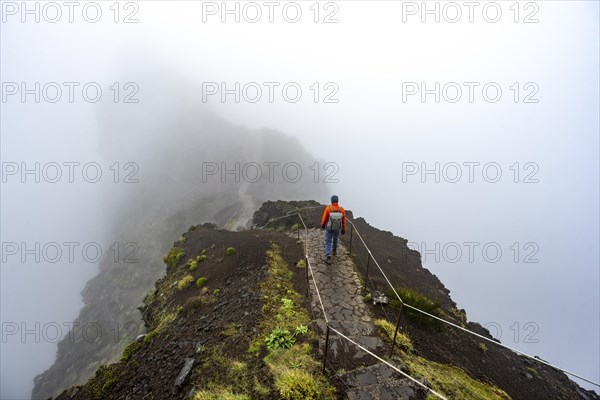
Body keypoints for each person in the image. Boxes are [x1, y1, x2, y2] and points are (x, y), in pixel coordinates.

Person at [321, 195, 346, 264]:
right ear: (337, 201)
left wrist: (323, 225)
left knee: (328, 241)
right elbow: (343, 220)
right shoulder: (341, 209)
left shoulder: (328, 208)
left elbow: (324, 218)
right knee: (335, 239)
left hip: (329, 227)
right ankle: (334, 250)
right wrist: (343, 229)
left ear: (331, 201)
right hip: (337, 228)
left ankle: (328, 255)